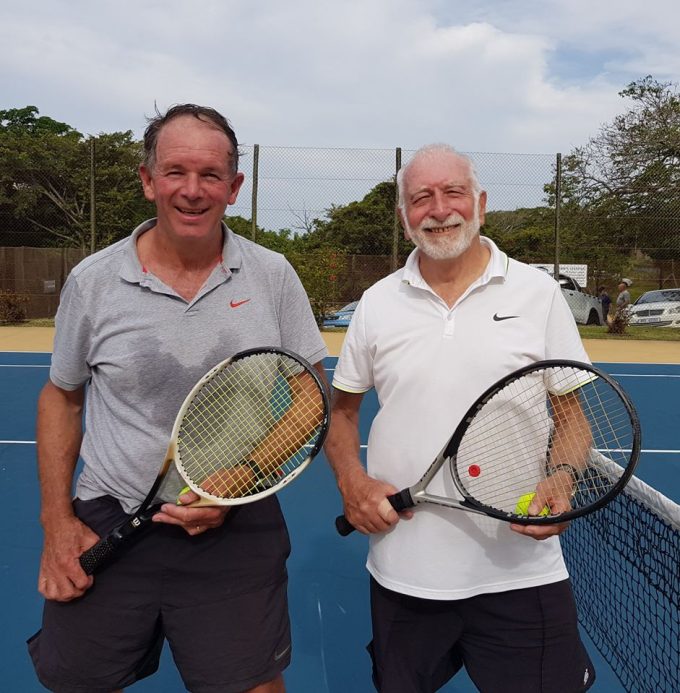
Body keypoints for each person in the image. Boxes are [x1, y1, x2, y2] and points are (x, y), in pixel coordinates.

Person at [28, 104, 328, 693]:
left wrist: (240, 479)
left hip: (236, 525)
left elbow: (309, 394)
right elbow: (61, 398)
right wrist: (56, 522)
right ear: (148, 181)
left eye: (211, 175)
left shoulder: (272, 275)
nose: (192, 190)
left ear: (234, 188)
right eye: (175, 172)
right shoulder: (94, 280)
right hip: (109, 515)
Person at [324, 144, 595, 693]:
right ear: (404, 217)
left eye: (453, 192)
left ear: (481, 204)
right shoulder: (377, 303)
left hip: (522, 569)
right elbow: (342, 415)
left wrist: (563, 478)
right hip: (405, 570)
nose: (439, 209)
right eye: (421, 197)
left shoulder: (538, 293)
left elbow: (572, 418)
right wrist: (353, 482)